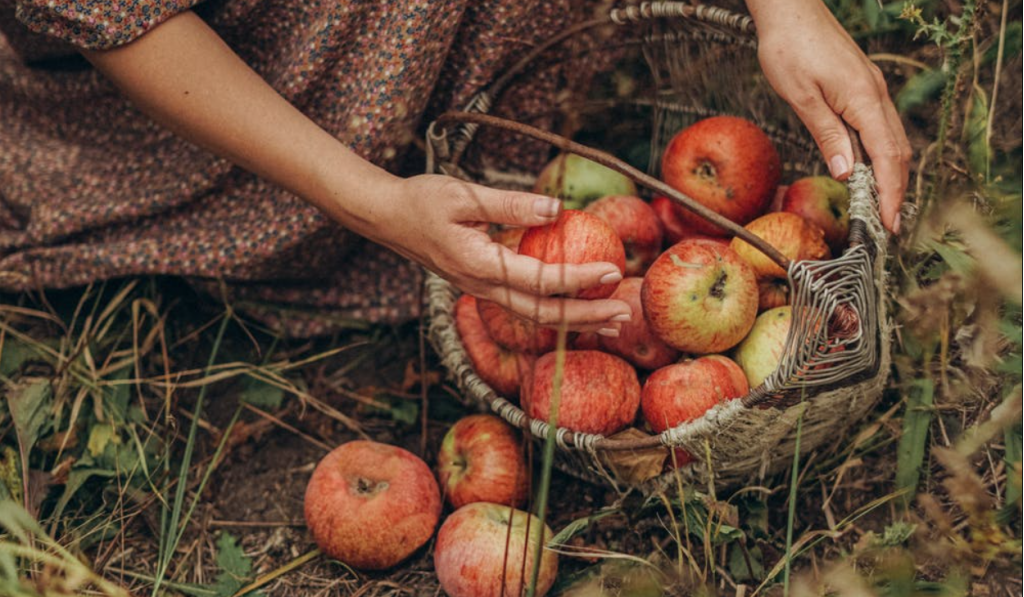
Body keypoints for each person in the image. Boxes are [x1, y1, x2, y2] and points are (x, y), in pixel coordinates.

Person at [0, 0, 910, 338]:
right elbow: (123, 16)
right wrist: (372, 202)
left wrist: (786, 6)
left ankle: (463, 145)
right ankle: (324, 219)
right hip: (241, 73)